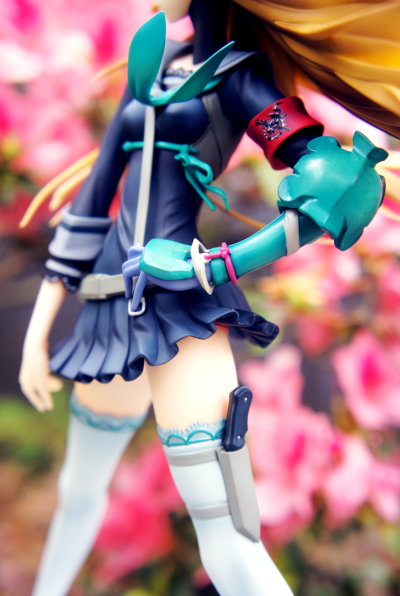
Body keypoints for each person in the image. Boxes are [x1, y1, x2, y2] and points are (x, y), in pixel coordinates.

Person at [19, 1, 389, 595]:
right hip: (108, 306)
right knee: (77, 489)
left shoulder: (241, 77)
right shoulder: (151, 62)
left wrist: (224, 263)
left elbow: (335, 184)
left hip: (178, 307)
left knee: (227, 533)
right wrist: (38, 331)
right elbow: (92, 201)